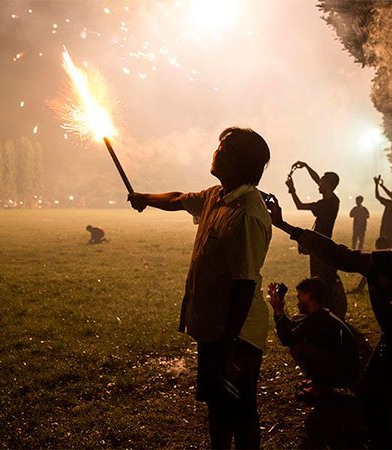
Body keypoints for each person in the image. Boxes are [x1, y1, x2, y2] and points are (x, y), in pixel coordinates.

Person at [266, 195, 392, 449]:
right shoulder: (381, 264)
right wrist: (285, 225)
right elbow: (336, 253)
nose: (385, 282)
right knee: (373, 396)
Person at [127, 127, 271, 449]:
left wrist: (230, 345)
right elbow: (179, 199)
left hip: (238, 334)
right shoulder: (215, 196)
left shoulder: (246, 212)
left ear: (238, 161)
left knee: (241, 409)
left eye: (222, 148)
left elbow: (245, 283)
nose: (215, 152)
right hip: (215, 328)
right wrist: (146, 199)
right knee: (218, 405)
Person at [266, 278, 359, 398]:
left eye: (300, 297)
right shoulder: (320, 314)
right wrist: (280, 311)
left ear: (310, 296)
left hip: (344, 373)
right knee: (296, 327)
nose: (298, 302)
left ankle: (322, 386)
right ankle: (320, 382)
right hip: (344, 368)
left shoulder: (319, 319)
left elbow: (288, 338)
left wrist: (278, 311)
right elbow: (292, 328)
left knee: (299, 348)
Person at [286, 161, 348, 320]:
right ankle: (329, 314)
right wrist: (306, 167)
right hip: (324, 245)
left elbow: (299, 205)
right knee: (325, 282)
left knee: (321, 283)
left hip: (318, 248)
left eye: (322, 181)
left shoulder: (323, 205)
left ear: (328, 185)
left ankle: (326, 315)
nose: (318, 183)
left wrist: (292, 189)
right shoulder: (334, 201)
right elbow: (317, 180)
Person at [374, 175, 392, 246]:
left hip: (388, 227)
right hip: (389, 227)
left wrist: (377, 185)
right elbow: (390, 195)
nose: (391, 192)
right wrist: (381, 186)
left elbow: (378, 196)